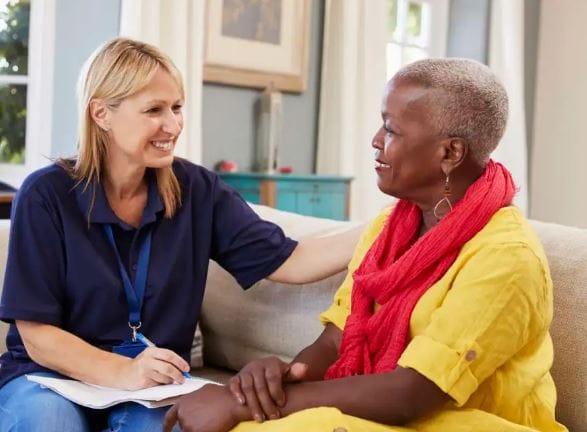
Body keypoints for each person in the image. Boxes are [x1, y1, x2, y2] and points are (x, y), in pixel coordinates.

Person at [164, 58, 569, 432]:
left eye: (391, 130)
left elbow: (414, 393)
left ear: (450, 152)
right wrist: (279, 380)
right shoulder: (389, 227)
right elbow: (337, 339)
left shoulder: (506, 257)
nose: (376, 140)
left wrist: (243, 406)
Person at [0, 38, 362, 432]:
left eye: (176, 107)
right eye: (154, 110)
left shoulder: (198, 190)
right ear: (101, 113)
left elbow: (291, 260)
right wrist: (123, 370)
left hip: (151, 388)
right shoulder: (45, 195)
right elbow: (36, 334)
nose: (172, 125)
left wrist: (387, 226)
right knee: (50, 423)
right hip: (49, 379)